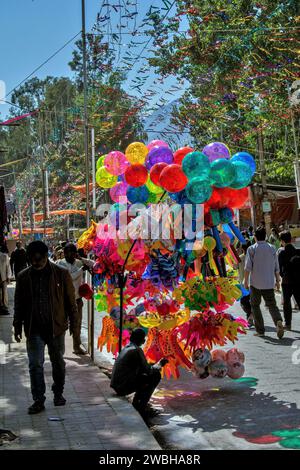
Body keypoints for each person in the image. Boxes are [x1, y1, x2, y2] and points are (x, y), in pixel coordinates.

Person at [13, 241, 78, 415]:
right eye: (32, 262)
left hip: (56, 328)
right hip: (33, 328)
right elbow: (18, 303)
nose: (36, 264)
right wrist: (17, 324)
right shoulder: (23, 277)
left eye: (39, 261)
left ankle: (58, 393)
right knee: (35, 364)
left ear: (45, 257)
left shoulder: (61, 274)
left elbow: (71, 302)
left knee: (58, 362)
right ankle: (38, 400)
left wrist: (74, 323)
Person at [110, 328, 168, 417]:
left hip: (117, 384)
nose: (144, 340)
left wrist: (152, 365)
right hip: (122, 386)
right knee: (155, 375)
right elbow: (148, 370)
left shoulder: (128, 347)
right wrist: (160, 364)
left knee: (146, 376)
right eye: (143, 338)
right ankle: (140, 407)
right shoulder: (136, 350)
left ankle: (138, 403)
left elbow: (142, 368)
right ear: (139, 339)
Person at [244, 226, 284, 338]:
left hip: (255, 283)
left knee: (255, 306)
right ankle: (278, 321)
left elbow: (247, 268)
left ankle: (260, 330)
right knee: (272, 305)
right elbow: (276, 267)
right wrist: (277, 280)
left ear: (255, 237)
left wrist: (245, 282)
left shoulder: (252, 249)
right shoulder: (272, 248)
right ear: (265, 236)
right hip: (268, 282)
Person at [57, 243, 94, 355]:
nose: (71, 255)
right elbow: (69, 277)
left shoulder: (78, 262)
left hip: (77, 299)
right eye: (69, 253)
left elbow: (93, 265)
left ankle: (76, 347)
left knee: (77, 324)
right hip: (63, 300)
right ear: (65, 253)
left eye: (73, 253)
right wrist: (81, 270)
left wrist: (81, 258)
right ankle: (59, 348)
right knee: (62, 324)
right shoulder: (60, 263)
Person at [277, 230, 300, 330]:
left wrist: (282, 276)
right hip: (298, 281)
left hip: (286, 281)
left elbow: (280, 269)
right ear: (290, 239)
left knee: (287, 303)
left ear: (282, 241)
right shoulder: (297, 251)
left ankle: (288, 324)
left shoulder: (282, 252)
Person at [237, 242, 253, 327]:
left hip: (243, 284)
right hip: (252, 283)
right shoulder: (253, 257)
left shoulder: (239, 258)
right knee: (250, 301)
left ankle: (250, 315)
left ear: (242, 248)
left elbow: (234, 267)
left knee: (243, 302)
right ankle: (250, 317)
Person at [0, 245, 11, 315]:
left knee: (4, 293)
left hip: (3, 277)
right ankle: (2, 306)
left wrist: (8, 277)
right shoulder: (4, 256)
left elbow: (8, 267)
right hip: (3, 277)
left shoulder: (4, 256)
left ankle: (4, 307)